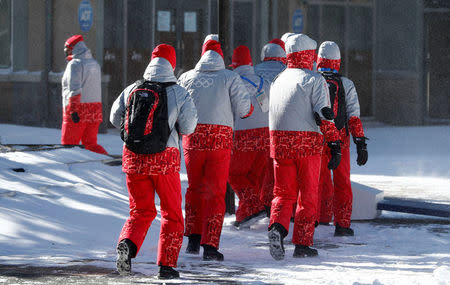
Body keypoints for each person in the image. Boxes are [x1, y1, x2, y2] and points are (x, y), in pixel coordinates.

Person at [110, 44, 198, 279]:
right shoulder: (179, 93)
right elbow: (189, 127)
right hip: (164, 160)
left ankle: (126, 245)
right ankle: (166, 266)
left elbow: (113, 117)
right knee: (171, 213)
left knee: (140, 210)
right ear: (172, 64)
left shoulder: (131, 89)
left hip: (133, 158)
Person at [178, 35, 253, 261]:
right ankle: (210, 245)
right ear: (221, 55)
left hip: (193, 138)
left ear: (202, 54)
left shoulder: (186, 77)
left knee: (194, 189)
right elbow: (244, 109)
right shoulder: (229, 77)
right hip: (220, 140)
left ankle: (192, 237)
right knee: (215, 192)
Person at [268, 34, 342, 260]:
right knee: (308, 195)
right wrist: (335, 143)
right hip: (307, 144)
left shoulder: (278, 79)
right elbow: (324, 115)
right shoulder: (314, 79)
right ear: (309, 54)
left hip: (279, 143)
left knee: (283, 192)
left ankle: (277, 228)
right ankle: (302, 243)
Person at [316, 41, 368, 236]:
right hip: (341, 139)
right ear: (338, 61)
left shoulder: (312, 80)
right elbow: (353, 115)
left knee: (317, 181)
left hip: (318, 139)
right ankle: (342, 224)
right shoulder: (346, 84)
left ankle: (317, 218)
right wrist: (360, 141)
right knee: (342, 182)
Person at [228, 45, 271, 228]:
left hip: (242, 134)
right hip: (265, 134)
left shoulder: (233, 83)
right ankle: (244, 215)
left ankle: (254, 207)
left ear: (234, 65)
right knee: (253, 176)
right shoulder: (264, 82)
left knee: (234, 174)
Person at [254, 38, 287, 212]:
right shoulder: (287, 71)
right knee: (275, 170)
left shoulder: (254, 71)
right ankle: (272, 203)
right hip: (280, 126)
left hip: (253, 126)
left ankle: (258, 203)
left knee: (257, 170)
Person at [61, 35, 107, 155]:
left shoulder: (75, 64)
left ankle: (70, 170)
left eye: (67, 50)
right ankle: (107, 162)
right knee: (91, 144)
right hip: (94, 111)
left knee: (69, 145)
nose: (66, 53)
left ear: (73, 49)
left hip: (77, 111)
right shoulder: (94, 64)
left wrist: (73, 110)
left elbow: (74, 89)